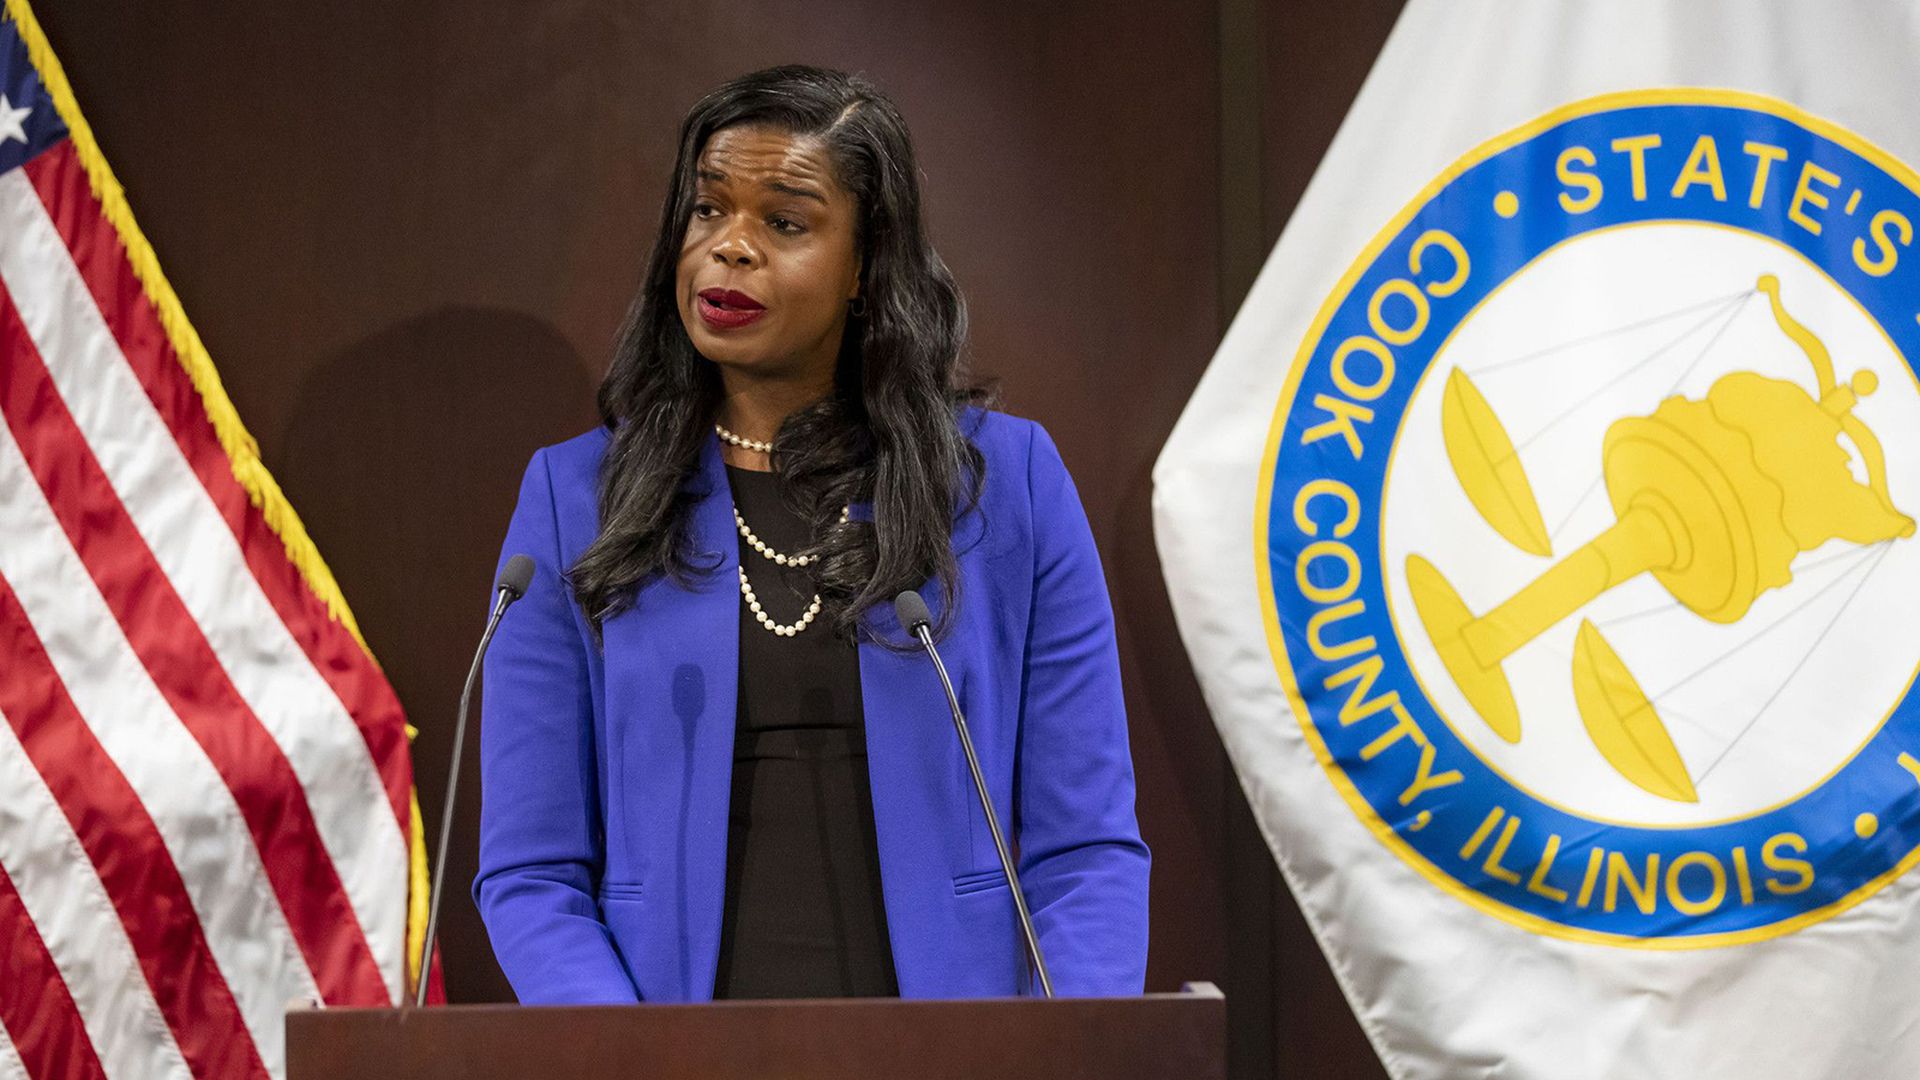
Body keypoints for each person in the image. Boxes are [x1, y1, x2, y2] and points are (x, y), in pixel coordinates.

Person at [472, 64, 1148, 1004]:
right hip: (670, 1057)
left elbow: (1087, 851)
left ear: (866, 265)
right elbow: (532, 873)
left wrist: (1068, 1053)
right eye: (707, 212)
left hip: (956, 1054)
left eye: (784, 223)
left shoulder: (1001, 484)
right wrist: (627, 1063)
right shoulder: (574, 498)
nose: (729, 250)